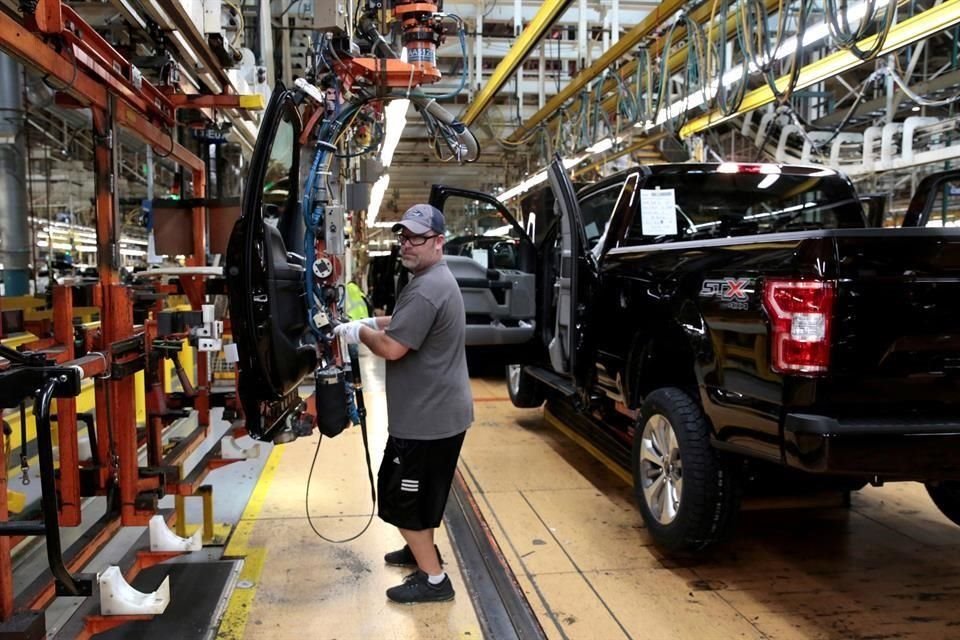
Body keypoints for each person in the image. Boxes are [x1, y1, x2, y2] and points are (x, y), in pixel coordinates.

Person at [334, 203, 473, 604]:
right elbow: (402, 322)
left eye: (416, 238)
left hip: (428, 421)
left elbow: (393, 348)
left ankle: (433, 580)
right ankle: (419, 550)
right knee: (420, 493)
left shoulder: (429, 288)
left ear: (439, 242)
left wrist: (359, 332)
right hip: (433, 413)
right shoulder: (432, 281)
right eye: (403, 237)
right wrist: (366, 323)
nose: (406, 245)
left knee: (403, 498)